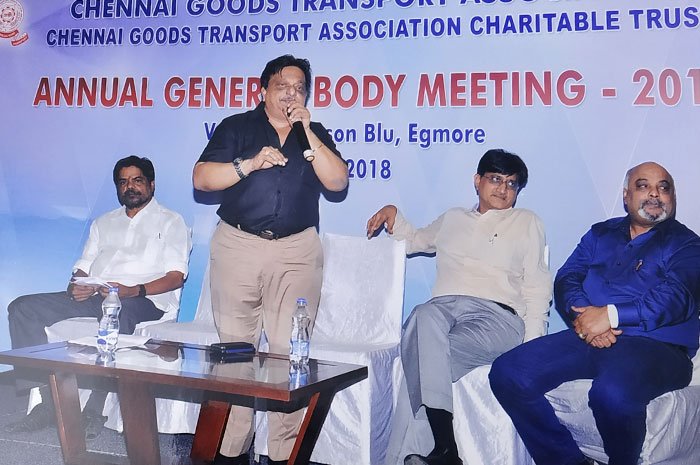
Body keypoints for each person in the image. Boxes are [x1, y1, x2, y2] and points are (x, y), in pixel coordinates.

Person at [489, 162, 700, 465]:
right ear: (626, 196)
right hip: (588, 335)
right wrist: (586, 317)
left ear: (673, 197)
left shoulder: (687, 244)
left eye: (663, 187)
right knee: (509, 372)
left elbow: (677, 297)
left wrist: (610, 316)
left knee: (611, 394)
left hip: (659, 349)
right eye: (643, 186)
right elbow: (568, 277)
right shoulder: (601, 233)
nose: (655, 193)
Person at [192, 54, 348, 465]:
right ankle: (230, 453)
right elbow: (202, 178)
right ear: (263, 90)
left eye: (300, 88)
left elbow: (337, 181)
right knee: (236, 354)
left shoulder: (313, 133)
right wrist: (249, 164)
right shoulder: (236, 126)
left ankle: (283, 455)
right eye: (283, 86)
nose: (292, 94)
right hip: (238, 245)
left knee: (288, 357)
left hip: (297, 252)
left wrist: (307, 132)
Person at [367, 149, 552, 465]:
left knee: (421, 358)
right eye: (495, 179)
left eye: (511, 183)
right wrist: (393, 213)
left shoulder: (526, 222)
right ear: (477, 181)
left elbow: (537, 287)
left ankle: (425, 454)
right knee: (423, 317)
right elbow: (414, 240)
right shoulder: (452, 218)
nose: (503, 189)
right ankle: (444, 451)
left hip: (497, 319)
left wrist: (531, 351)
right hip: (443, 313)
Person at [5, 155, 192, 439]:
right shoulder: (104, 222)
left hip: (144, 300)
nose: (130, 187)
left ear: (151, 185)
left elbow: (176, 276)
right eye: (123, 182)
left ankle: (95, 408)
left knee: (120, 311)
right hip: (98, 295)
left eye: (137, 180)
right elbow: (83, 266)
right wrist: (77, 284)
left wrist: (134, 290)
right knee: (22, 308)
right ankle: (46, 400)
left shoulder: (171, 221)